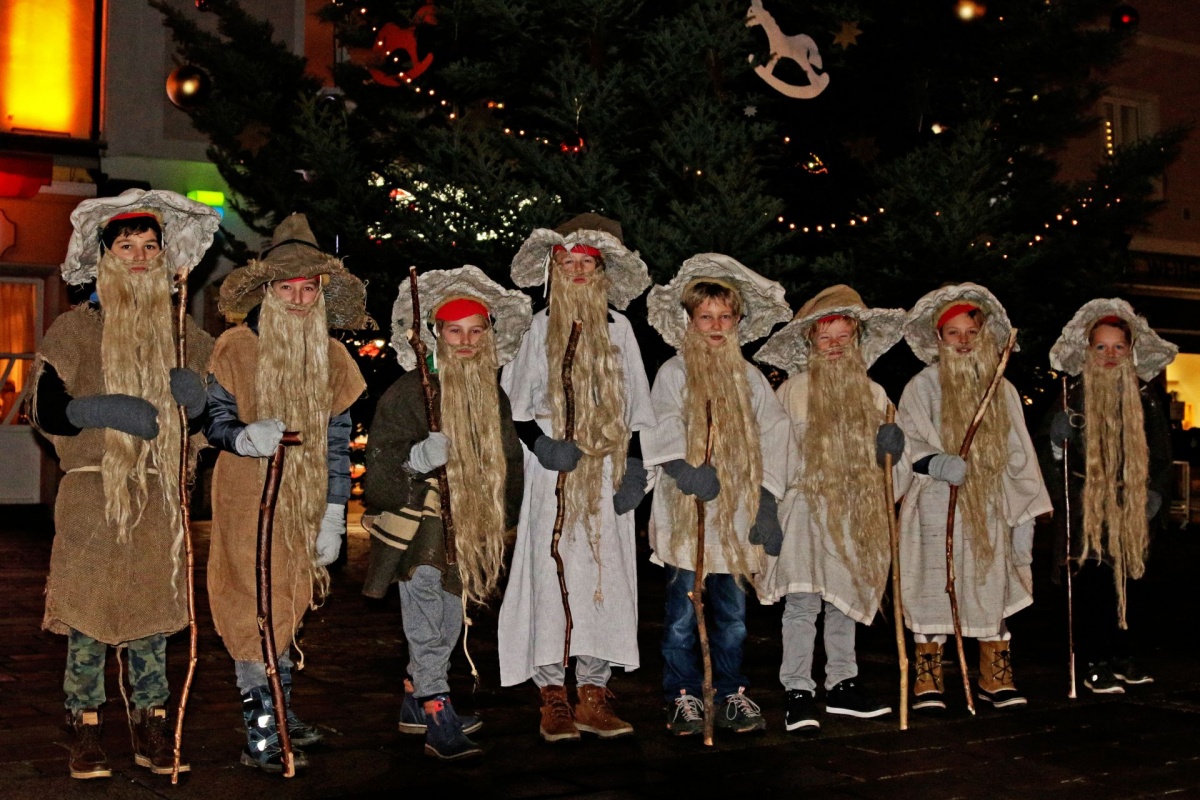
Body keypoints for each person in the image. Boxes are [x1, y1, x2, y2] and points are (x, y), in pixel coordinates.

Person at [31, 189, 220, 779]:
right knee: (87, 609)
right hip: (93, 491)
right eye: (127, 247)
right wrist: (99, 410)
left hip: (158, 492)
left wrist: (197, 403)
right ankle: (84, 724)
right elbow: (45, 407)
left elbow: (211, 420)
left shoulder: (184, 332)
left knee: (152, 607)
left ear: (165, 256)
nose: (140, 258)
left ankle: (151, 721)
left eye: (150, 247)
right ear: (105, 257)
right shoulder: (74, 329)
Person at [204, 214, 369, 771]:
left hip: (306, 499)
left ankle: (280, 707)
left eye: (308, 288)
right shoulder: (236, 347)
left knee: (290, 598)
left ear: (320, 293)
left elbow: (339, 443)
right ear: (268, 292)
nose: (298, 299)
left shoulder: (333, 358)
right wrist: (241, 436)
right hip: (246, 496)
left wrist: (334, 512)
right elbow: (213, 420)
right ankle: (262, 729)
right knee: (252, 602)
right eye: (287, 288)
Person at [362, 266, 529, 759]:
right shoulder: (409, 391)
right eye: (455, 331)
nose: (466, 342)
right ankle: (437, 707)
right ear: (435, 334)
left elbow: (509, 456)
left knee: (452, 612)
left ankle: (415, 700)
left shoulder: (492, 392)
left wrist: (505, 515)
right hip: (421, 523)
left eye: (476, 331)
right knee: (426, 612)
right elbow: (382, 462)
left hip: (470, 523)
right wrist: (416, 460)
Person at [499, 213, 655, 742]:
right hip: (551, 472)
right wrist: (542, 444)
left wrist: (635, 471)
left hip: (605, 469)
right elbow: (515, 405)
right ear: (553, 270)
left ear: (602, 270)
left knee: (604, 577)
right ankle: (552, 694)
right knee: (548, 573)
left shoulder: (620, 330)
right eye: (567, 263)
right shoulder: (536, 328)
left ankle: (593, 691)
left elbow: (639, 407)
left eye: (587, 262)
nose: (578, 271)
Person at [642, 253, 792, 736]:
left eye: (725, 316)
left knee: (732, 617)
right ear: (689, 321)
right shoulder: (674, 372)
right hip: (687, 511)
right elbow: (660, 424)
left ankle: (731, 692)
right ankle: (682, 694)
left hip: (736, 514)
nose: (716, 325)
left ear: (738, 322)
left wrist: (766, 501)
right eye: (706, 317)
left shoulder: (750, 378)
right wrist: (683, 469)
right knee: (682, 614)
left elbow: (775, 434)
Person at [754, 285, 906, 733]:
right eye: (826, 337)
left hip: (855, 511)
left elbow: (893, 469)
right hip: (804, 508)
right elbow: (773, 451)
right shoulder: (793, 391)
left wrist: (891, 451)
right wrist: (766, 504)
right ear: (811, 342)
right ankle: (798, 690)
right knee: (802, 603)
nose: (836, 346)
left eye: (844, 337)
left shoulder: (874, 394)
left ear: (857, 340)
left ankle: (843, 684)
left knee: (846, 601)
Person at [894, 283, 1052, 711]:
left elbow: (1019, 453)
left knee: (988, 584)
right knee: (932, 584)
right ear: (938, 338)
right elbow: (907, 441)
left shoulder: (1000, 390)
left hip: (988, 507)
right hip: (934, 505)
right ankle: (928, 675)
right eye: (953, 333)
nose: (963, 342)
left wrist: (1024, 514)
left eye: (971, 333)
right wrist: (934, 462)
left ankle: (993, 674)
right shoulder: (922, 386)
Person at [1040, 299, 1175, 693]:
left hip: (1131, 504)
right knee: (1093, 582)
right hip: (1087, 504)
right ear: (1088, 350)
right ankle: (1093, 660)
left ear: (1130, 351)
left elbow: (1161, 453)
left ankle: (1122, 656)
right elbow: (1047, 448)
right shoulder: (1072, 394)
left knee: (1131, 581)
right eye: (1101, 347)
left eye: (1118, 347)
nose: (1110, 355)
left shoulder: (1145, 398)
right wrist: (1057, 443)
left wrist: (1155, 494)